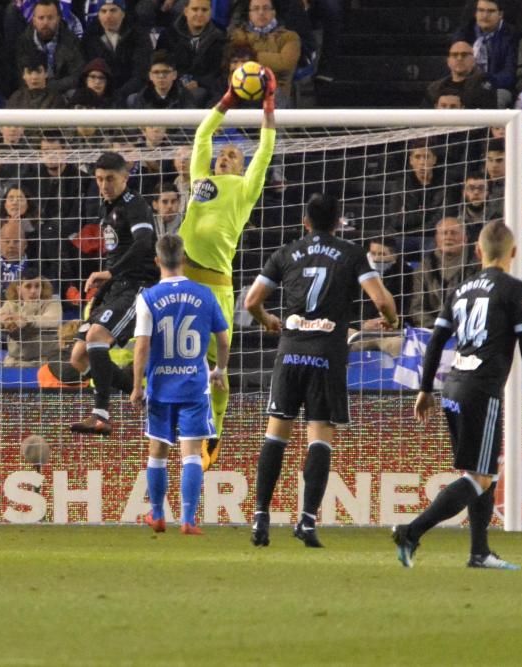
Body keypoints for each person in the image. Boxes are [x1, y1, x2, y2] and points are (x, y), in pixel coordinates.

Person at [244, 193, 398, 549]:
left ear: (305, 221)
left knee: (276, 435)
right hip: (326, 355)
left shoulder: (287, 252)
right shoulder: (352, 253)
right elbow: (382, 300)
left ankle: (260, 518)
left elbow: (252, 301)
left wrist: (267, 320)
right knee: (319, 437)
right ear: (338, 220)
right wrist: (391, 319)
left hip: (291, 353)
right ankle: (307, 521)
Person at [394, 220, 522, 570]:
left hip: (453, 387)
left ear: (477, 251)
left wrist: (424, 389)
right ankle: (411, 532)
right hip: (482, 388)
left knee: (483, 471)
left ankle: (479, 552)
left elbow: (434, 341)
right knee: (478, 477)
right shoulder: (514, 289)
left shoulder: (460, 289)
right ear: (514, 253)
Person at [176, 67, 276, 470]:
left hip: (217, 287)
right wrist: (226, 102)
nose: (224, 154)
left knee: (218, 367)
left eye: (234, 153)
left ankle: (215, 427)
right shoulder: (201, 177)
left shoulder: (245, 189)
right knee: (182, 361)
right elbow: (202, 135)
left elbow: (266, 149)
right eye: (224, 152)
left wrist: (268, 106)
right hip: (181, 280)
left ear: (241, 165)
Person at [130, 234, 230, 535]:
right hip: (194, 385)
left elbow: (142, 347)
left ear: (157, 261)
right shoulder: (204, 294)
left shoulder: (147, 298)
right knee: (191, 455)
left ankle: (158, 515)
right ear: (184, 259)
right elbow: (223, 339)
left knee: (157, 453)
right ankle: (188, 520)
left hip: (161, 387)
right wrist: (220, 369)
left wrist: (137, 385)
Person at [68, 151, 158, 435]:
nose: (104, 185)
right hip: (115, 287)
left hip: (137, 287)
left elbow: (144, 242)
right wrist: (104, 287)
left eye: (110, 178)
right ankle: (143, 394)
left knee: (96, 338)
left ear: (125, 177)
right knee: (79, 358)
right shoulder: (106, 207)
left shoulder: (136, 205)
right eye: (99, 179)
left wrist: (111, 273)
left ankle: (101, 415)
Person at [0, 269, 63, 367]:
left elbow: (52, 320)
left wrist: (25, 320)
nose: (33, 291)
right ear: (19, 289)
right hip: (14, 363)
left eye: (37, 286)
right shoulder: (11, 304)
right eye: (28, 286)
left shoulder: (52, 302)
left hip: (45, 362)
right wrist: (0, 319)